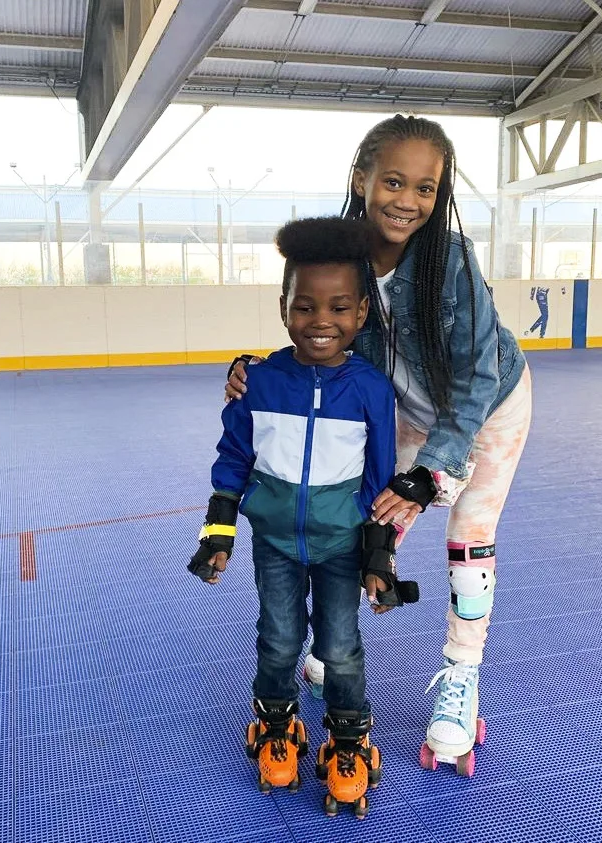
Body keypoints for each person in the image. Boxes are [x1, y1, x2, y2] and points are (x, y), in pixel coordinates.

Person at [226, 115, 533, 776]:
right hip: (404, 413)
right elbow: (318, 330)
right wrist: (258, 369)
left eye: (426, 187)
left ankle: (461, 675)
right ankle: (338, 647)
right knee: (368, 518)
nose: (408, 199)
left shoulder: (450, 260)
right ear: (361, 177)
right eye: (393, 180)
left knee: (469, 540)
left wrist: (434, 470)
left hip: (489, 405)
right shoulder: (342, 257)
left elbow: (477, 377)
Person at [188, 216, 419, 817]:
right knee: (279, 641)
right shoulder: (258, 383)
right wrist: (219, 533)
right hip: (277, 547)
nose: (322, 320)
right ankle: (274, 726)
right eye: (305, 305)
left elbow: (380, 479)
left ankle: (348, 741)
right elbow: (233, 458)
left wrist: (378, 557)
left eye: (339, 307)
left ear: (361, 313)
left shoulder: (371, 390)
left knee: (341, 647)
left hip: (343, 544)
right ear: (283, 306)